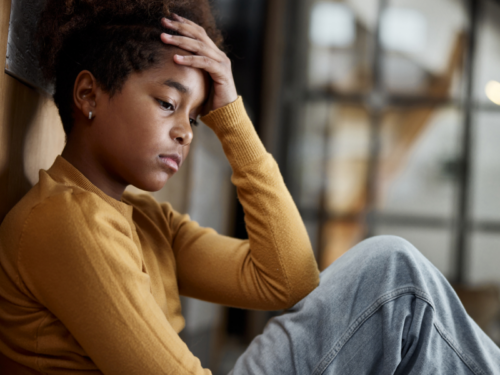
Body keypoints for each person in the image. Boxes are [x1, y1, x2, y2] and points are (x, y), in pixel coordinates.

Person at [0, 0, 498, 374]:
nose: (186, 132)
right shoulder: (64, 221)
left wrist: (231, 116)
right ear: (88, 94)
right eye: (168, 104)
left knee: (398, 294)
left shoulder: (147, 220)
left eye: (196, 116)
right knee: (396, 277)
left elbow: (289, 278)